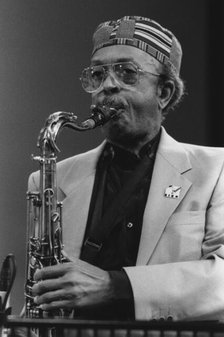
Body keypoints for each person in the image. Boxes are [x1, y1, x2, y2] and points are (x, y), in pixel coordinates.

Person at [29, 16, 224, 321]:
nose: (106, 86)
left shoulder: (217, 169)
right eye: (97, 74)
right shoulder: (48, 179)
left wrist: (115, 285)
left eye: (126, 73)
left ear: (164, 93)